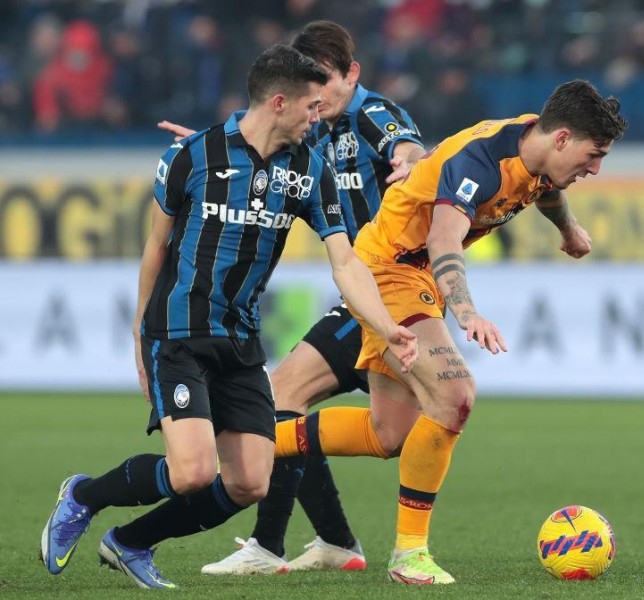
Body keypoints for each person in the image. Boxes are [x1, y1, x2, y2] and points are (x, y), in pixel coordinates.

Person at [39, 44, 417, 590]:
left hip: (241, 343)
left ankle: (131, 541)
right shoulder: (191, 156)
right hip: (179, 332)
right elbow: (155, 249)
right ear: (281, 102)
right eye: (312, 107)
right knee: (192, 473)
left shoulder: (311, 168)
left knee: (250, 484)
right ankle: (83, 495)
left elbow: (346, 261)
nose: (319, 117)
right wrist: (140, 333)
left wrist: (385, 326)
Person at [272, 79, 628, 584]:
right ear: (564, 139)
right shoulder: (480, 161)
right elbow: (443, 238)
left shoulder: (540, 149)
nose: (595, 169)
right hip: (389, 270)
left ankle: (255, 441)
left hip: (410, 275)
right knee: (455, 395)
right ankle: (409, 556)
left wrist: (567, 230)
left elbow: (547, 190)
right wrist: (465, 313)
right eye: (595, 156)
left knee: (387, 433)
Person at [159, 20, 426, 575]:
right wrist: (216, 153)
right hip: (366, 299)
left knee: (286, 400)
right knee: (288, 401)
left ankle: (282, 546)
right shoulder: (314, 131)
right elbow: (264, 148)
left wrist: (409, 158)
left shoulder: (371, 114)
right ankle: (327, 542)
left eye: (326, 81)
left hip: (392, 294)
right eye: (309, 88)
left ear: (352, 75)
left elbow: (404, 141)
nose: (318, 97)